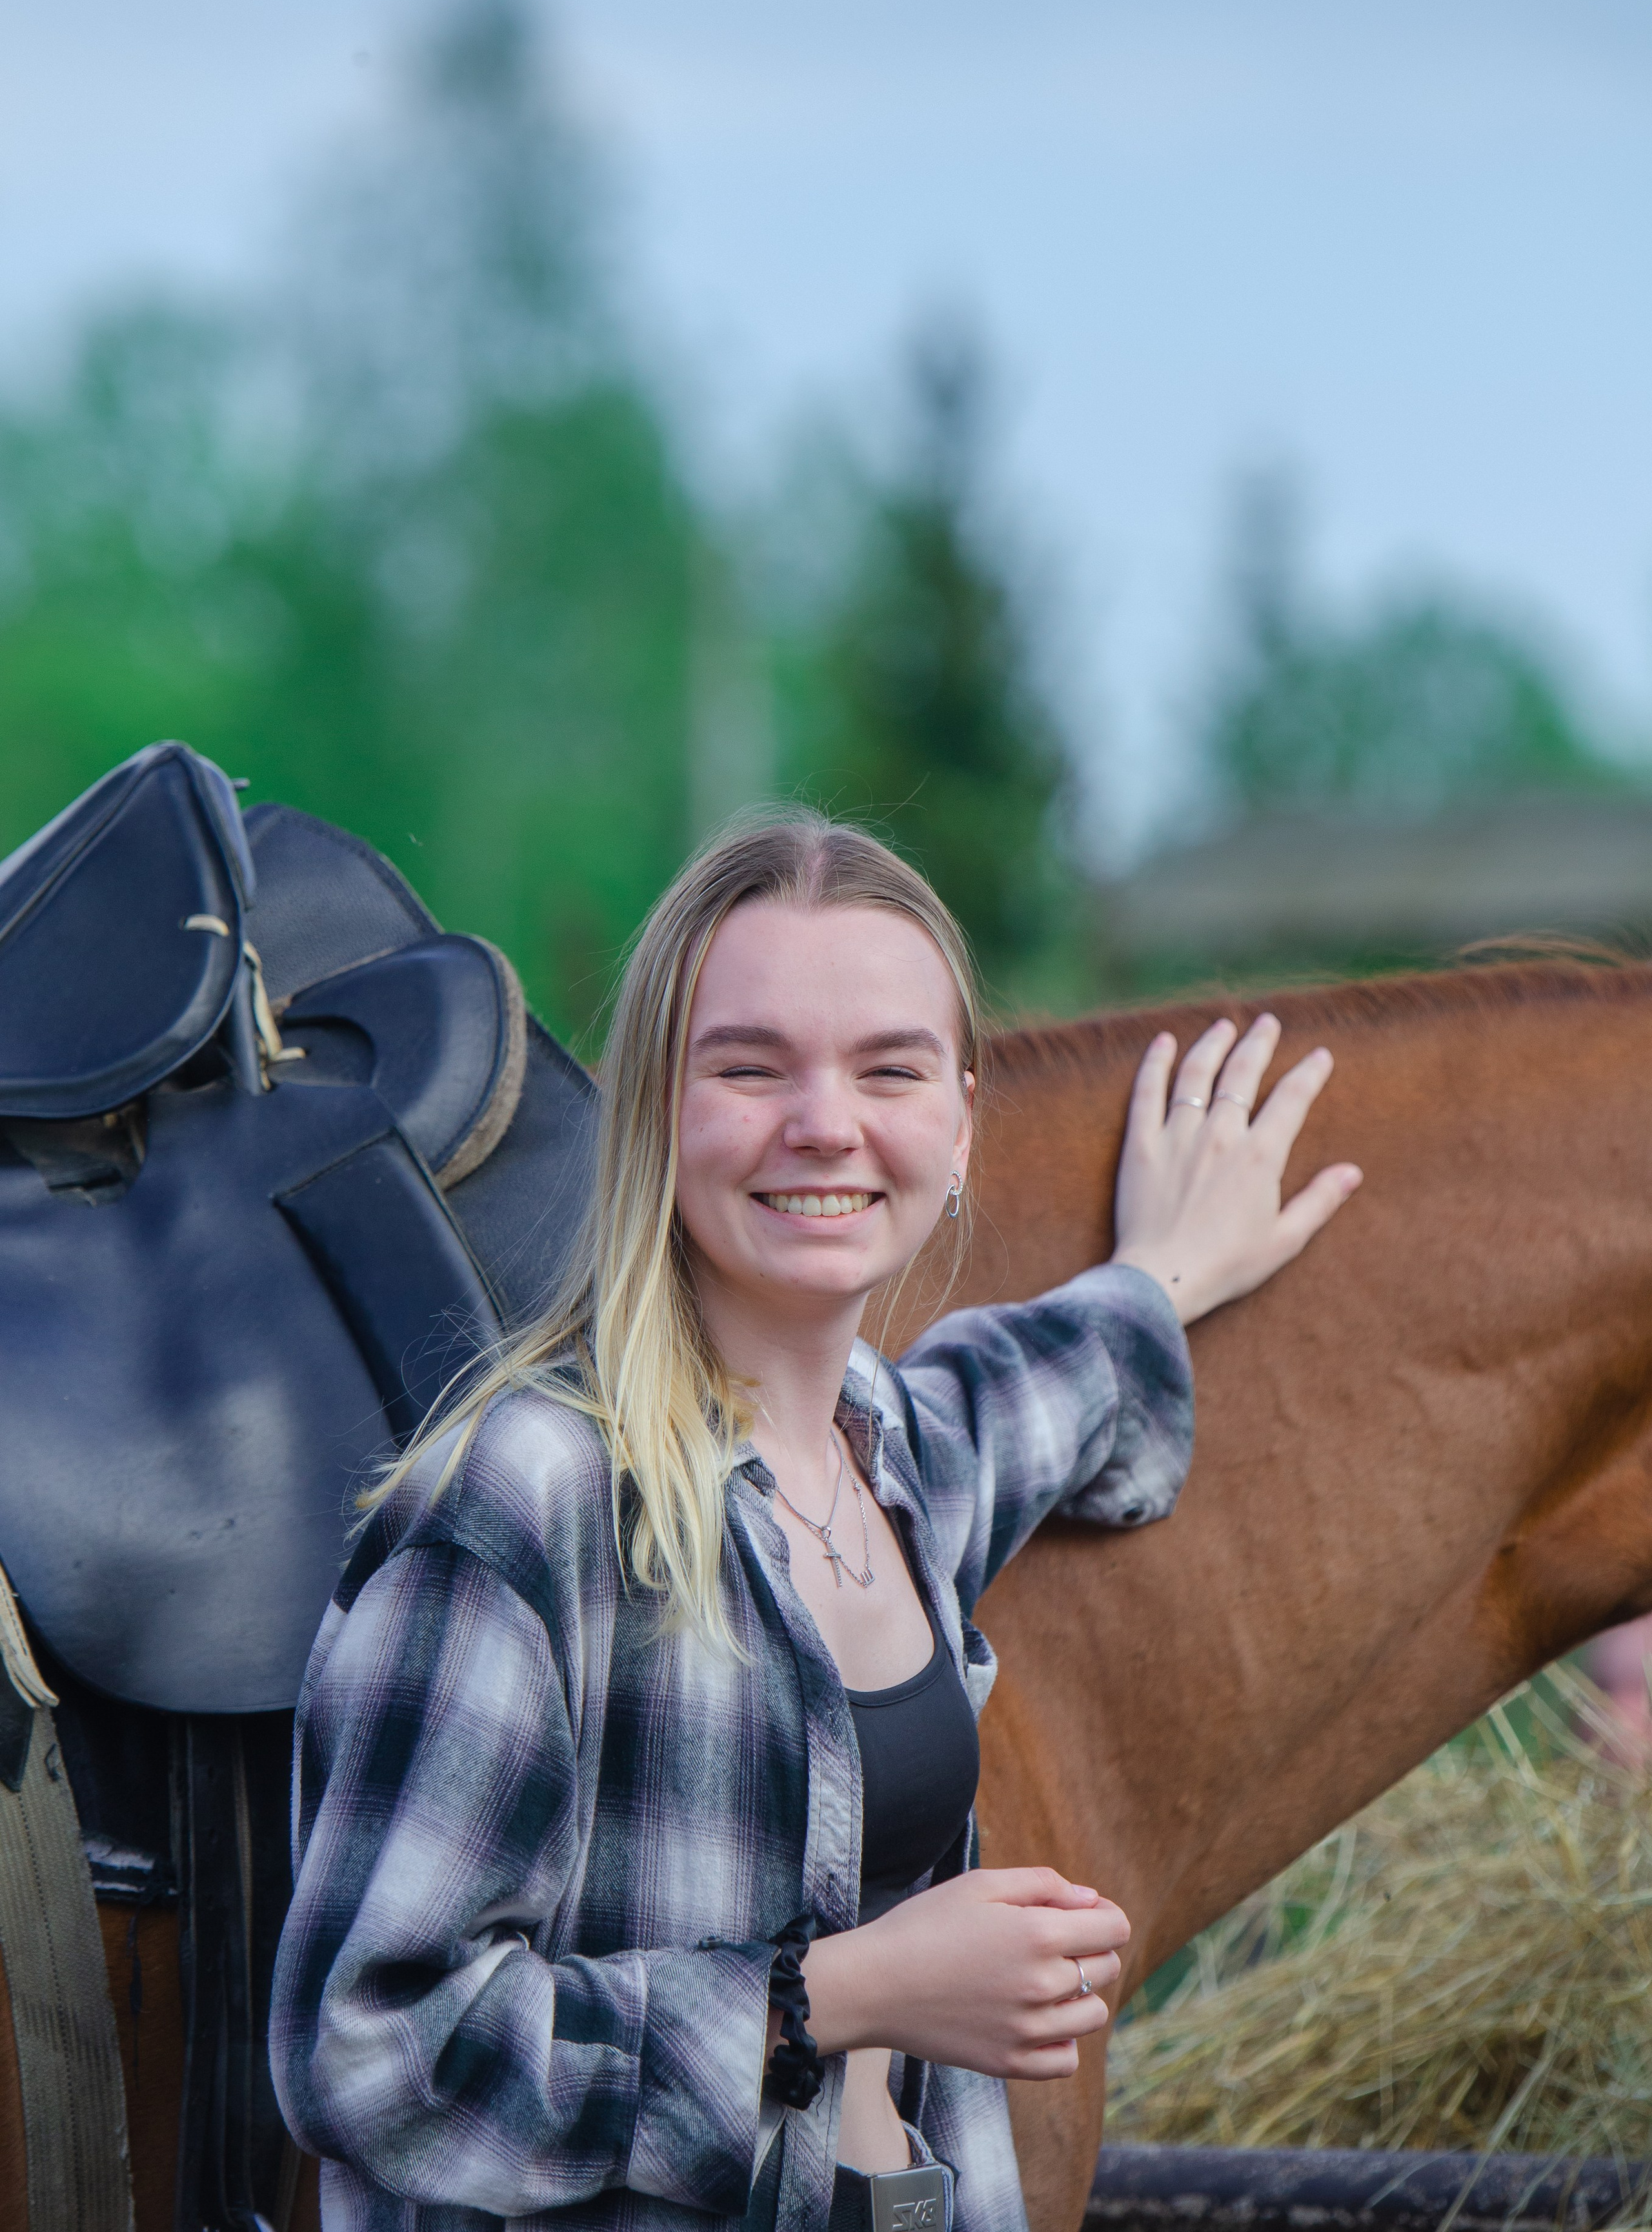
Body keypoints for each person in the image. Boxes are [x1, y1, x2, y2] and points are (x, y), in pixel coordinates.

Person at [270, 813, 1360, 2232]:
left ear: (959, 1125)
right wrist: (839, 1996)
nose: (826, 1123)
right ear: (656, 1112)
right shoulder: (525, 1498)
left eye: (889, 1069)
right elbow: (368, 2051)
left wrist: (1160, 1276)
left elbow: (1017, 1397)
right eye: (749, 1066)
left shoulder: (890, 1452)